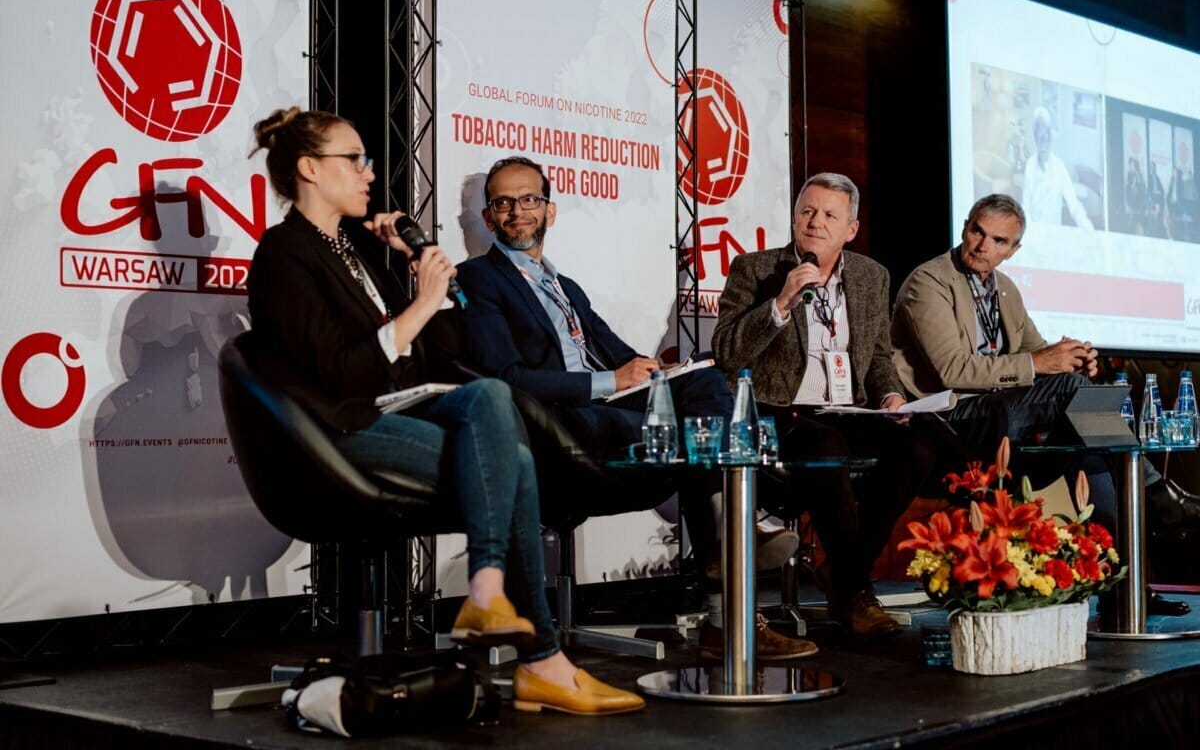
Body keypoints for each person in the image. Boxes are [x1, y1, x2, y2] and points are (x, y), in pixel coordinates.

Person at [246, 108, 643, 716]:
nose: (367, 173)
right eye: (352, 160)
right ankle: (537, 653)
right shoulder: (284, 254)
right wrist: (423, 302)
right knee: (511, 454)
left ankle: (499, 605)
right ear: (308, 169)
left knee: (490, 398)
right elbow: (342, 373)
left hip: (390, 411)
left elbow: (442, 356)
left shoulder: (353, 251)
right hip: (335, 432)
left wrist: (425, 275)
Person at [454, 155, 813, 660]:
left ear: (550, 211)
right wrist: (608, 381)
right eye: (504, 203)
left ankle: (731, 543)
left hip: (610, 410)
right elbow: (504, 378)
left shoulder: (564, 286)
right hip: (558, 423)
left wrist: (661, 374)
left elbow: (622, 356)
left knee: (705, 380)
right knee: (689, 438)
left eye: (530, 199)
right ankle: (731, 577)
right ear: (489, 218)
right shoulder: (478, 279)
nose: (518, 211)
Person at [890, 193, 1196, 615]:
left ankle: (1123, 588)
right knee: (1075, 396)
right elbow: (952, 369)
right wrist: (1045, 365)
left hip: (1004, 413)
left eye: (998, 240)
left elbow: (1037, 352)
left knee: (1091, 443)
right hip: (951, 417)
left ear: (1013, 250)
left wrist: (1073, 357)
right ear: (964, 227)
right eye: (977, 231)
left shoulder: (1005, 289)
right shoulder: (929, 282)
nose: (983, 246)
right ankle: (1160, 495)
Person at [712, 172, 934, 638]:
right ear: (794, 217)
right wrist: (781, 303)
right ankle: (854, 590)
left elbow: (875, 358)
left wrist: (890, 394)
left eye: (830, 215)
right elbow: (727, 352)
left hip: (845, 408)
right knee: (827, 446)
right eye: (807, 211)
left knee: (915, 449)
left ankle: (841, 569)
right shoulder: (755, 269)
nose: (816, 222)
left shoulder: (873, 276)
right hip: (777, 410)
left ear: (850, 229)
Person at [1022, 107, 1092, 230]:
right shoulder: (1030, 166)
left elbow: (1073, 204)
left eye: (1046, 136)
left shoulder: (1059, 167)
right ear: (1035, 138)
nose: (1043, 142)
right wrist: (1031, 232)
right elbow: (1025, 207)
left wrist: (1088, 228)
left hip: (1054, 232)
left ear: (1050, 138)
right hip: (1035, 232)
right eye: (1040, 137)